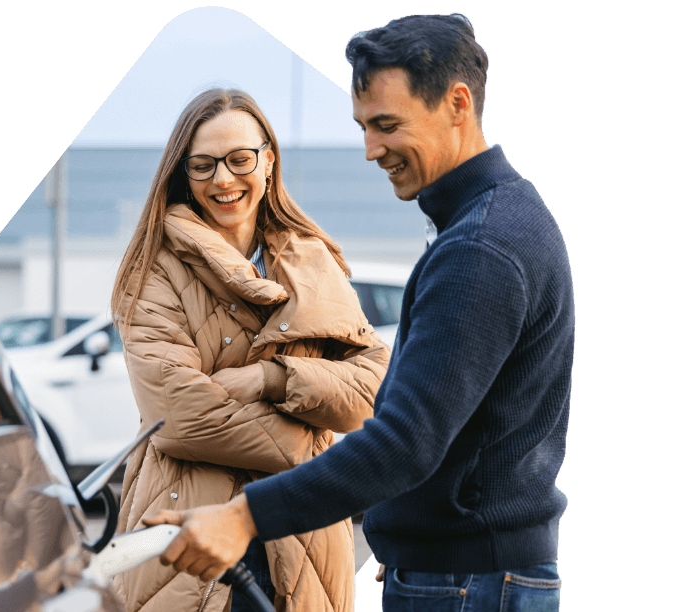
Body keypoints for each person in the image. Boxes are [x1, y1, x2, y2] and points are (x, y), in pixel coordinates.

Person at [142, 14, 573, 612]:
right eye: (365, 128)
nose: (372, 150)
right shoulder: (496, 219)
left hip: (466, 581)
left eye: (388, 126)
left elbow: (401, 439)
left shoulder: (480, 248)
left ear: (458, 104)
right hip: (466, 571)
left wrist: (244, 515)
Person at [109, 88, 392, 612]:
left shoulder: (313, 261)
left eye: (239, 159)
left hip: (305, 541)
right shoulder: (155, 270)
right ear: (183, 175)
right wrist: (316, 452)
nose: (223, 179)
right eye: (203, 165)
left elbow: (376, 388)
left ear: (268, 160)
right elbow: (179, 417)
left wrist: (275, 380)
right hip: (188, 541)